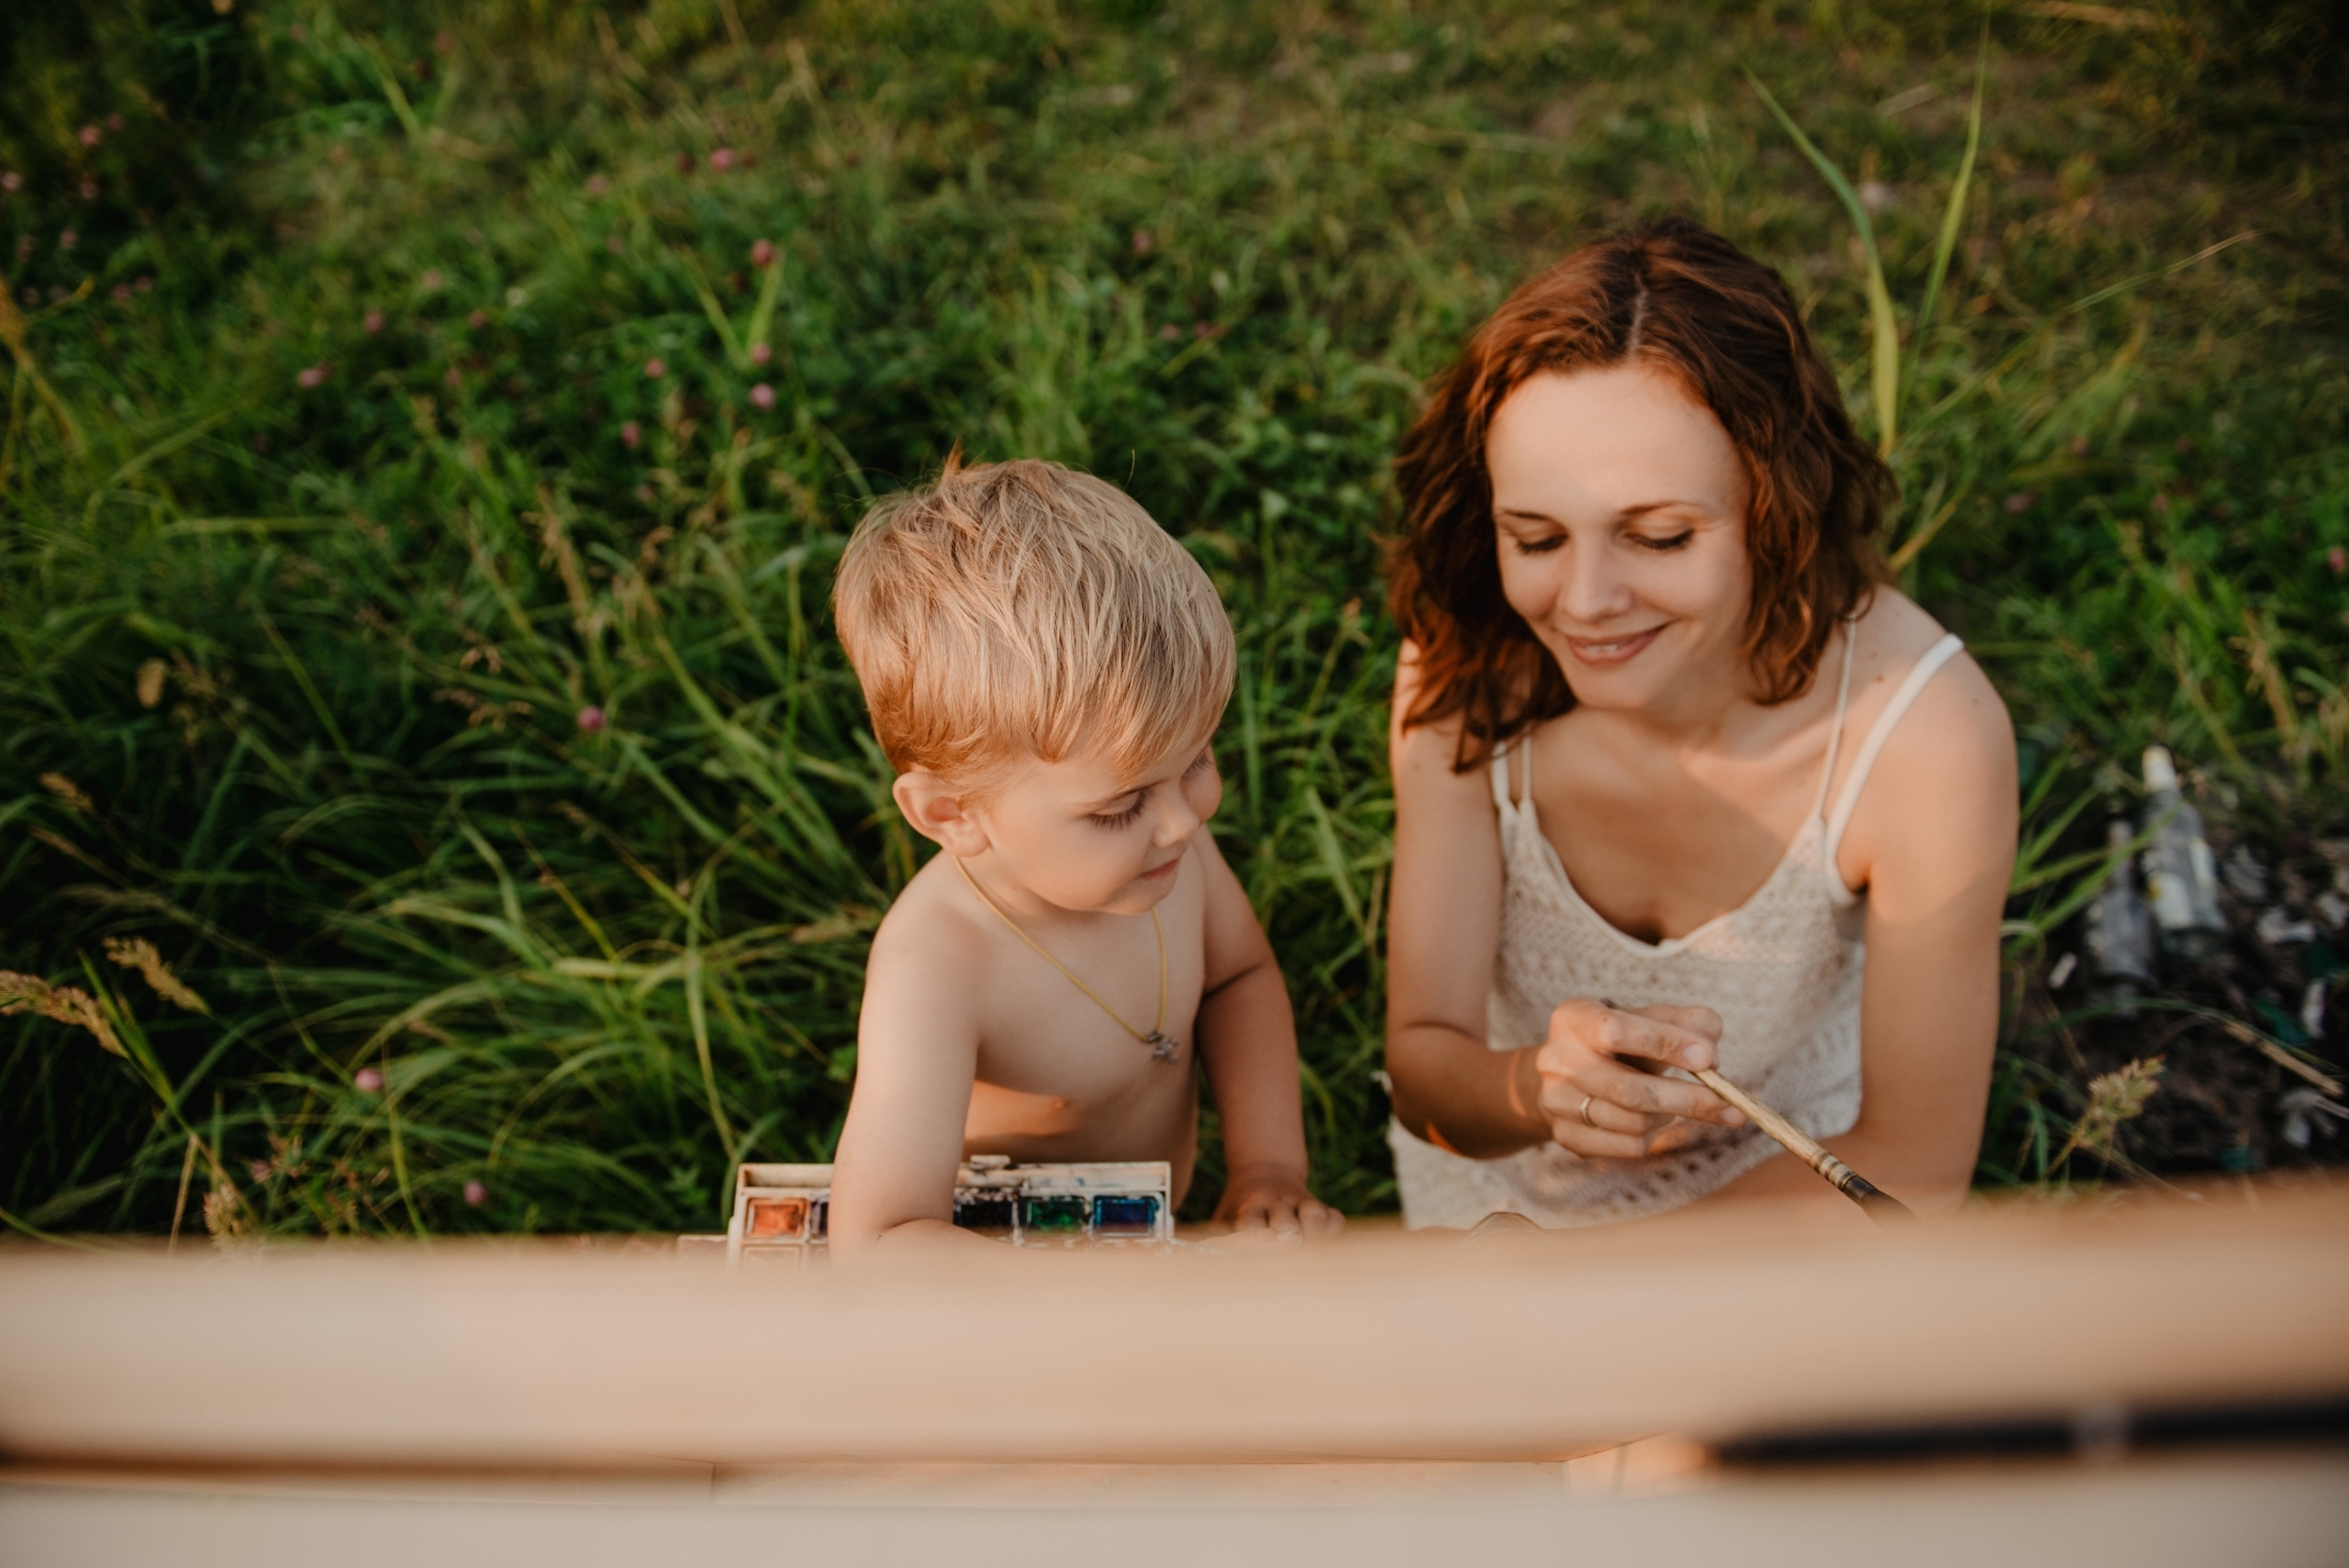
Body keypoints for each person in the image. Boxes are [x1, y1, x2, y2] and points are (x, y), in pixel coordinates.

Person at [1383, 217, 2018, 1229]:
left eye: (1660, 535)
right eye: (1535, 536)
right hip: (1497, 1213)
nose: (1584, 601)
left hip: (1792, 1218)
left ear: (1779, 507)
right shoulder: (1469, 666)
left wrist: (1594, 1285)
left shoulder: (1921, 734)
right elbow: (1422, 1060)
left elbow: (1917, 1166)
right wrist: (1533, 1090)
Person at [826, 455, 1341, 1255]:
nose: (1181, 823)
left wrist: (1268, 1164)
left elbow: (1241, 977)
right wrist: (1096, 1299)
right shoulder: (938, 961)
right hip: (1009, 1271)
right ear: (953, 814)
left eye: (1197, 762)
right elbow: (884, 1235)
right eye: (1120, 807)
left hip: (1152, 1219)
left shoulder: (1160, 851)